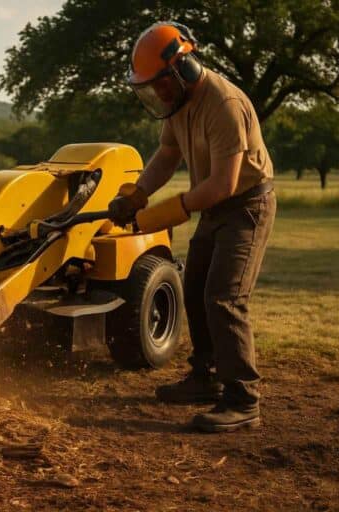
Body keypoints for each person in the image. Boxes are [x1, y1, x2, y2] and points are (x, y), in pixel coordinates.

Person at [108, 21, 276, 432]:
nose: (157, 94)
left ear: (181, 69)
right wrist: (137, 195)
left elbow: (224, 184)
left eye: (160, 84)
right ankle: (206, 376)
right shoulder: (178, 104)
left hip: (246, 207)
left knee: (224, 298)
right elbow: (167, 154)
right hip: (214, 207)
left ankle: (243, 399)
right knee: (195, 287)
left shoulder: (223, 105)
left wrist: (164, 212)